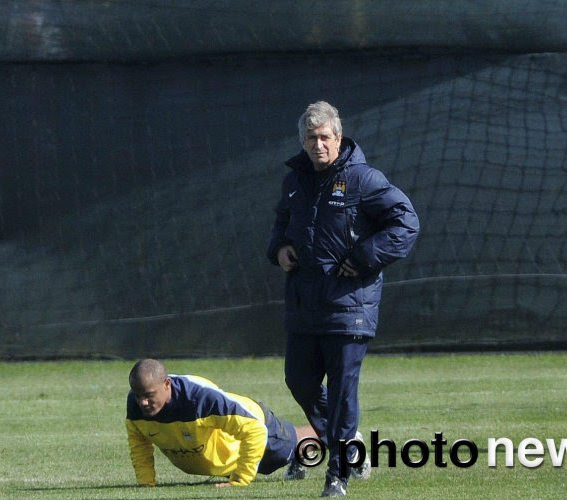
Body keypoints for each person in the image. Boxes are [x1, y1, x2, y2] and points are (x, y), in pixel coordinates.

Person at [267, 101, 419, 497]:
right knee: (298, 381)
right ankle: (349, 447)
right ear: (302, 141)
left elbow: (406, 222)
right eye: (311, 138)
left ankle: (337, 475)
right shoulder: (295, 181)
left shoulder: (363, 179)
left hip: (350, 307)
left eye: (324, 138)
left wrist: (364, 258)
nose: (318, 145)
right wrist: (279, 249)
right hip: (304, 303)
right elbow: (282, 222)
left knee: (341, 391)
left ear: (338, 138)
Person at [125, 358, 316, 488]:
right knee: (268, 466)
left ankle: (334, 430)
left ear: (167, 384)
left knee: (292, 445)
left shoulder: (200, 399)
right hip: (229, 456)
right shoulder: (136, 405)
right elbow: (139, 445)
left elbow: (255, 430)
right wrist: (146, 483)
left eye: (149, 395)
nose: (142, 402)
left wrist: (240, 480)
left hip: (257, 424)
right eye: (138, 395)